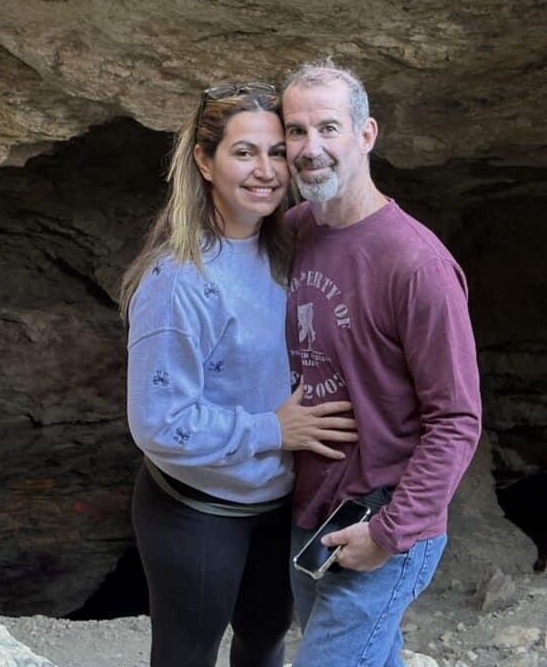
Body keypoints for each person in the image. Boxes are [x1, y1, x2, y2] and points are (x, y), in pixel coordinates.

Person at [119, 81, 358, 667]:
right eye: (244, 152)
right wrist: (272, 430)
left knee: (265, 643)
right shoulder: (179, 280)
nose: (266, 171)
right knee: (188, 654)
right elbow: (158, 423)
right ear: (204, 161)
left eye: (277, 152)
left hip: (279, 505)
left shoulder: (288, 247)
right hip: (198, 512)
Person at [281, 61, 483, 667]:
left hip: (383, 522)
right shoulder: (293, 232)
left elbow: (457, 419)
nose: (309, 148)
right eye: (295, 131)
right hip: (312, 516)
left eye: (328, 128)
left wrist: (389, 533)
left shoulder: (416, 264)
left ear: (366, 135)